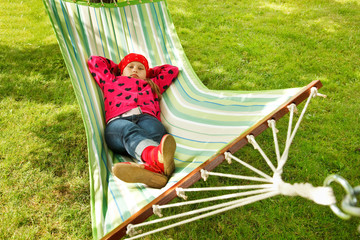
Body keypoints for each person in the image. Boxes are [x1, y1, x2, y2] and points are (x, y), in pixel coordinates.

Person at [88, 53, 179, 188]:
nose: (135, 70)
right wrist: (117, 68)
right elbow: (95, 61)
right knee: (128, 130)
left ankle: (153, 171)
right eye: (130, 67)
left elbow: (172, 70)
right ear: (122, 70)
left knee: (156, 130)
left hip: (146, 118)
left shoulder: (153, 84)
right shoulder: (111, 80)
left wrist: (149, 73)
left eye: (140, 68)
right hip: (118, 123)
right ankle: (155, 158)